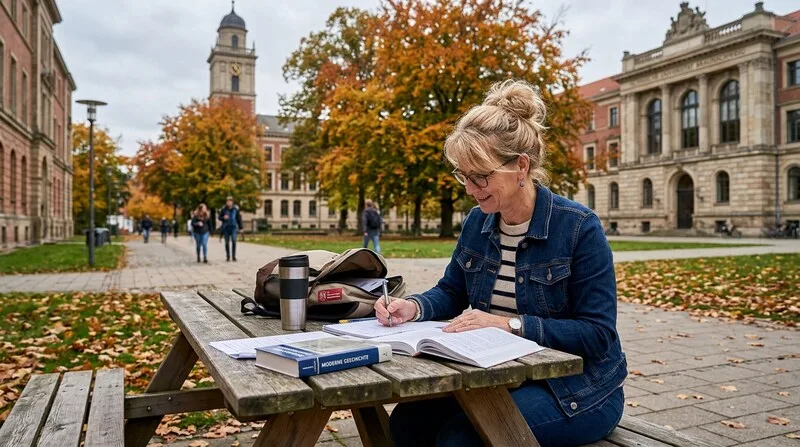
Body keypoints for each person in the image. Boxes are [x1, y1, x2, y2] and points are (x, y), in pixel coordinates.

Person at [374, 80, 626, 447]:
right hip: (500, 376)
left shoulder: (578, 228)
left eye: (481, 176)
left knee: (461, 439)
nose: (471, 188)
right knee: (408, 423)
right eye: (464, 176)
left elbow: (598, 335)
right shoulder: (479, 221)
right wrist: (412, 307)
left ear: (520, 166)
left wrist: (510, 324)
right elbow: (452, 289)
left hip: (580, 388)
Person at [218, 196, 244, 262]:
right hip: (226, 228)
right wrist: (223, 217)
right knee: (227, 243)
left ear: (232, 202)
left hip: (234, 227)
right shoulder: (224, 209)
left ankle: (234, 256)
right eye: (227, 201)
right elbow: (219, 217)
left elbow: (239, 218)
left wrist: (241, 227)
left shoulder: (236, 209)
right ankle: (228, 256)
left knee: (234, 241)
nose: (229, 202)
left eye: (230, 201)